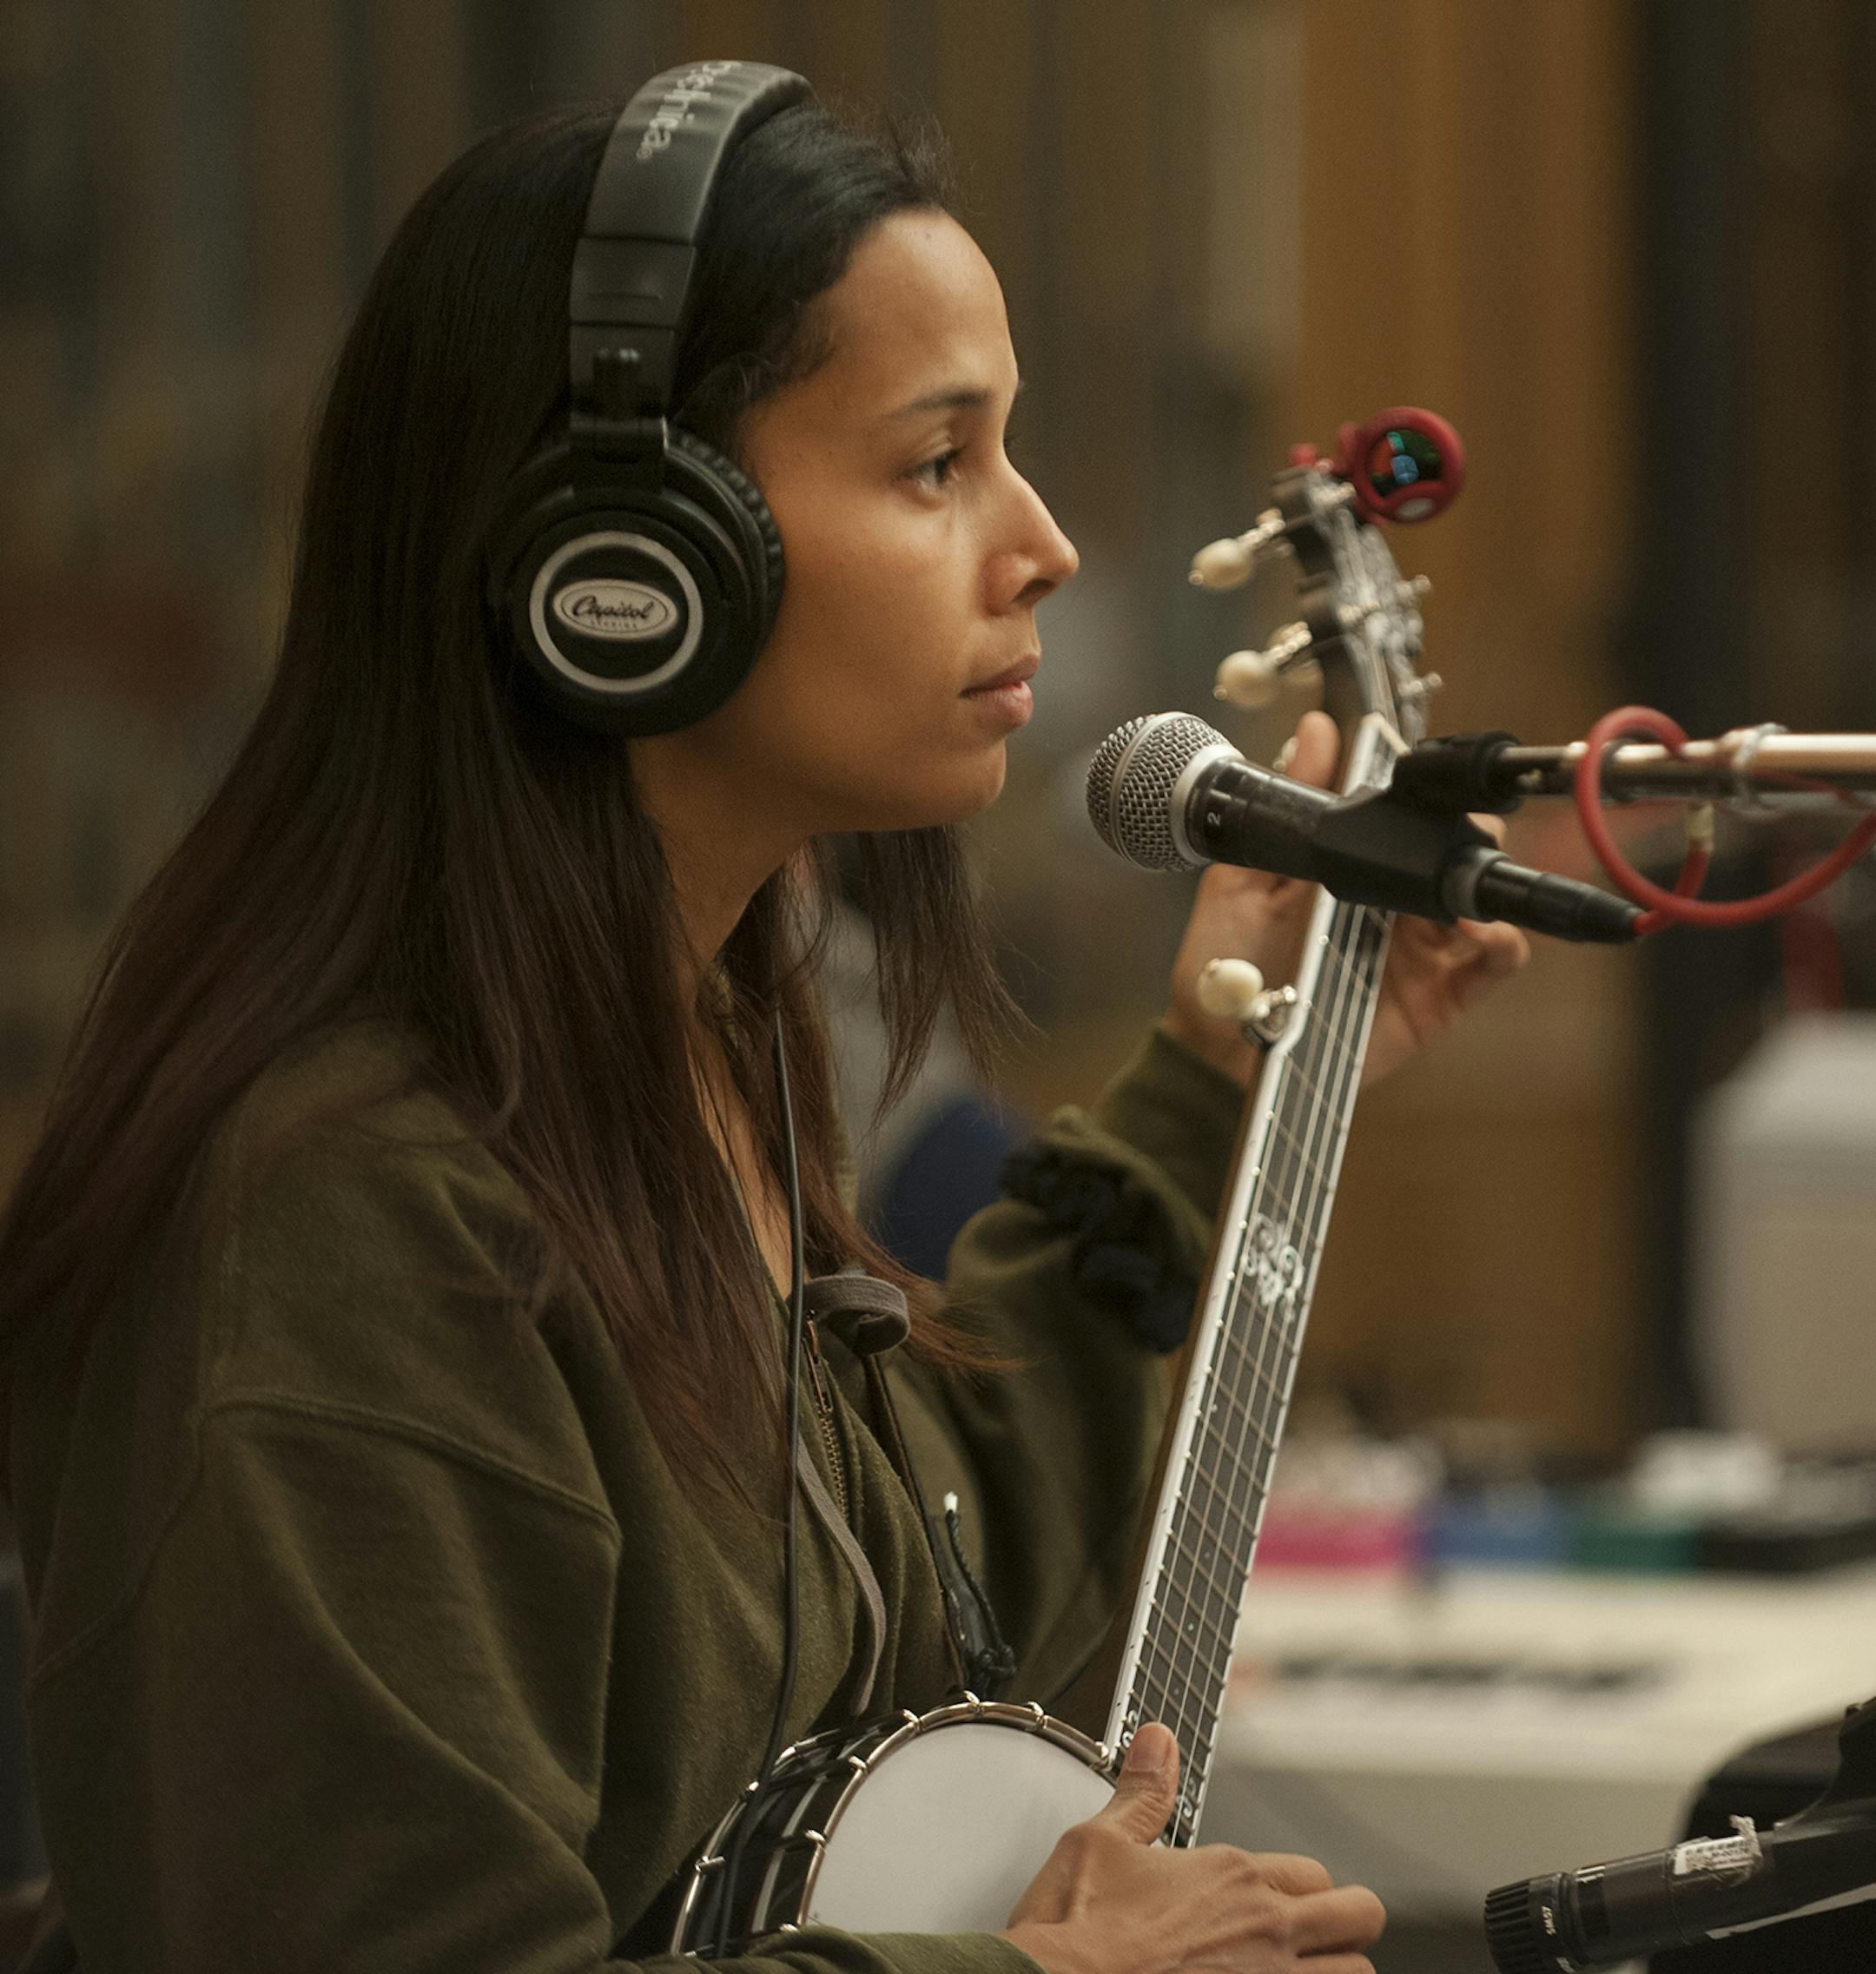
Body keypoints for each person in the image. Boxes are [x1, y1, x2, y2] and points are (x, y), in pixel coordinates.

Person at [0, 64, 1528, 1974]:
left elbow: (937, 1596)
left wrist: (1232, 1069)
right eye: (932, 462)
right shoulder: (343, 1219)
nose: (1043, 542)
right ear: (629, 571)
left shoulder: (690, 1058)